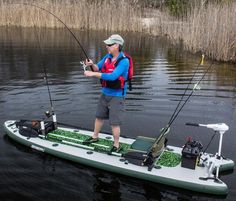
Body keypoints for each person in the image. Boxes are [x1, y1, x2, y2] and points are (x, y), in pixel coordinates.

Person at [83, 34, 129, 153]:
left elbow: (113, 76)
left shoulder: (124, 61)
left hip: (117, 96)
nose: (107, 46)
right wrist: (91, 65)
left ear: (117, 45)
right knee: (99, 116)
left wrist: (92, 74)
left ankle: (116, 145)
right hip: (105, 93)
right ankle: (94, 137)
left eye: (109, 44)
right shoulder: (107, 57)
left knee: (114, 123)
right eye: (107, 44)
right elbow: (97, 68)